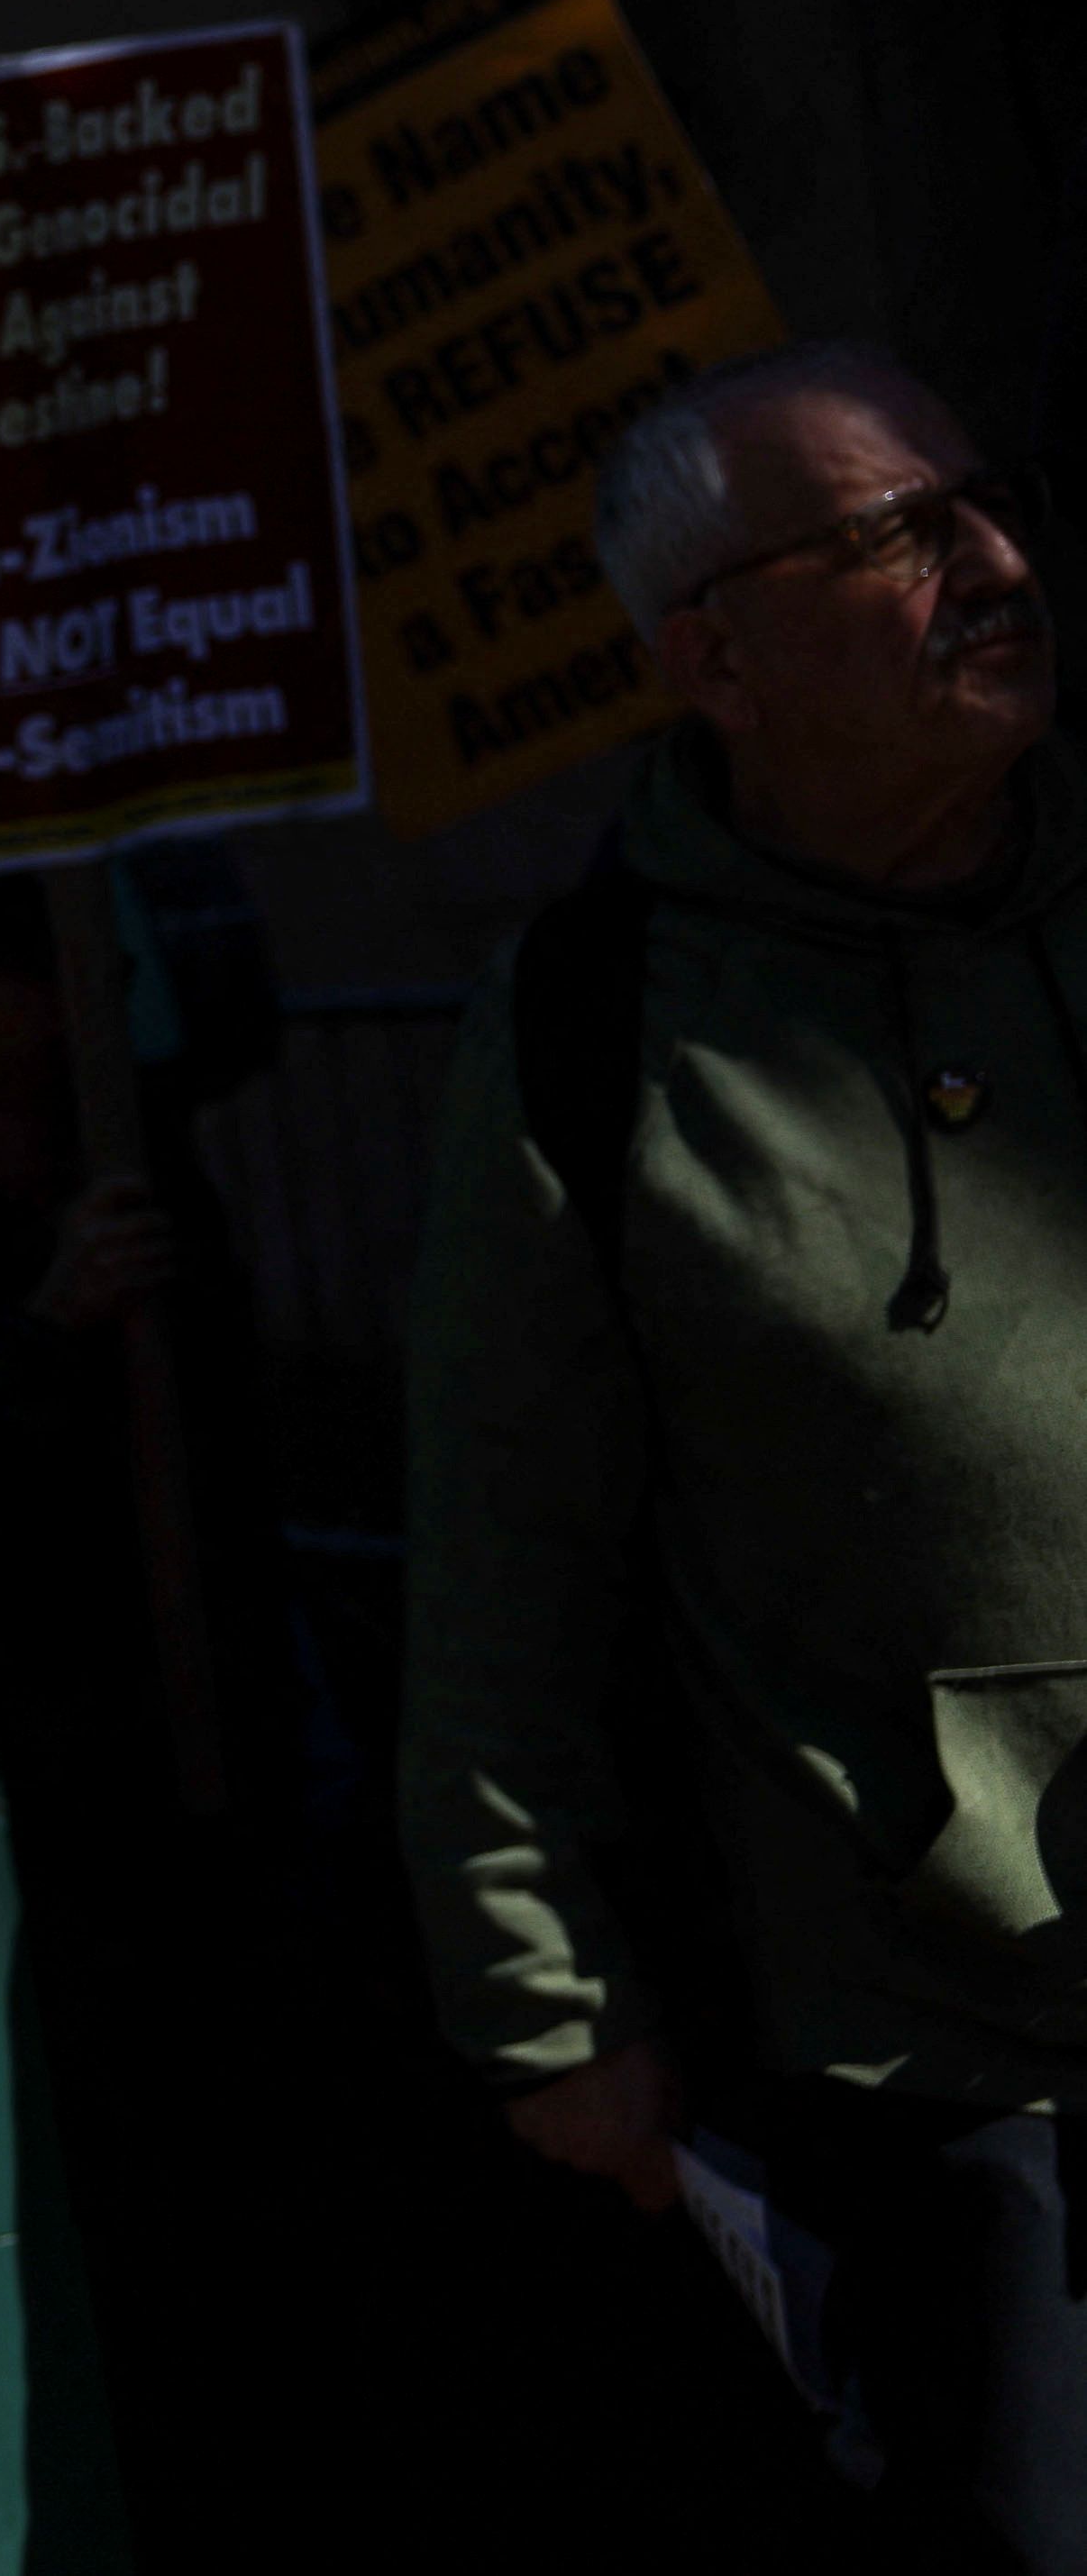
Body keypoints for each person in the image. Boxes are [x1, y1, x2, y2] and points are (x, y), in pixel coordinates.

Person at [401, 338, 1087, 2569]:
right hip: (944, 2044)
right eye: (892, 535)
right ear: (711, 652)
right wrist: (547, 2001)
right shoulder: (595, 1028)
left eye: (979, 506)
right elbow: (506, 1552)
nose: (986, 563)